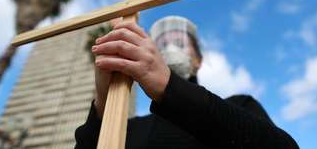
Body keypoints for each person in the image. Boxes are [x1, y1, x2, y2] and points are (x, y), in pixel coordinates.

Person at [75, 16, 299, 149]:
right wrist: (104, 103)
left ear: (199, 59)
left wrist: (170, 88)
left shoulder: (239, 105)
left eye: (180, 41)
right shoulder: (131, 128)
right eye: (162, 42)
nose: (170, 47)